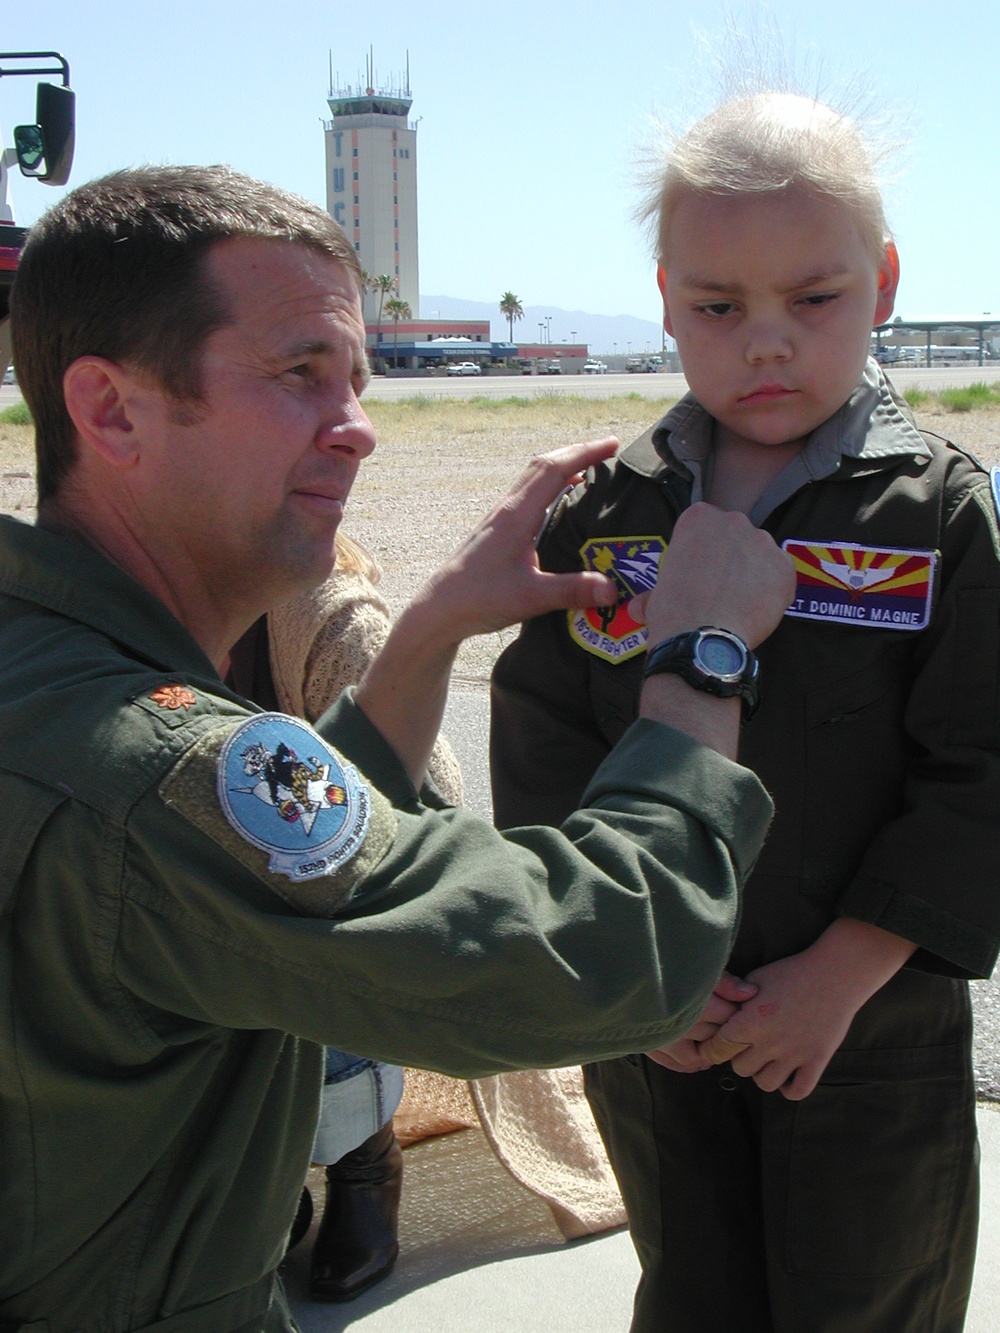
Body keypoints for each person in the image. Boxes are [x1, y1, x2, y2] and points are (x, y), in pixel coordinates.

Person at [0, 164, 795, 1332]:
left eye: (360, 379)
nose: (360, 429)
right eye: (299, 375)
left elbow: (259, 871)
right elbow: (602, 955)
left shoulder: (45, 668)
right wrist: (703, 655)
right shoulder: (153, 767)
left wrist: (425, 633)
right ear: (112, 409)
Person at [491, 91, 1000, 1333]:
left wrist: (841, 971)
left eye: (813, 299)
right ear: (665, 297)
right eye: (718, 307)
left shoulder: (933, 516)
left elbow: (982, 770)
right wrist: (626, 973)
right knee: (691, 1296)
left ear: (880, 281)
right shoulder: (607, 515)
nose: (764, 343)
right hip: (661, 1023)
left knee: (865, 1304)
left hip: (863, 1029)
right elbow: (544, 745)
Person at [229, 534, 464, 1301]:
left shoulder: (328, 617)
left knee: (311, 938)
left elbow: (422, 810)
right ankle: (256, 1173)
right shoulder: (125, 582)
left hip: (329, 885)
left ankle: (364, 1156)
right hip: (201, 882)